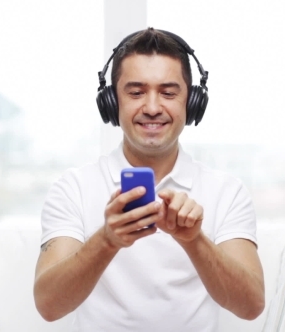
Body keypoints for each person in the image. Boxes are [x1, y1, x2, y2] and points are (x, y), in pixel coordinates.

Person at [34, 28, 265, 332]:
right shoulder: (73, 188)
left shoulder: (227, 191)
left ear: (192, 101)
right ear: (112, 102)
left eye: (168, 93)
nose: (153, 108)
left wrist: (194, 241)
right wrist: (106, 241)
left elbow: (251, 306)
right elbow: (48, 306)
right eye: (136, 92)